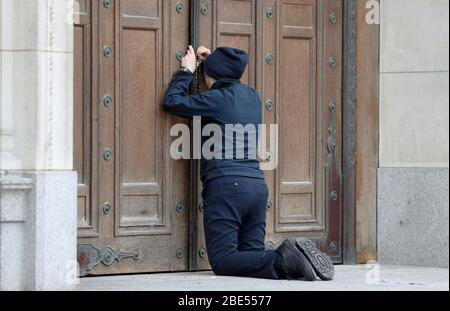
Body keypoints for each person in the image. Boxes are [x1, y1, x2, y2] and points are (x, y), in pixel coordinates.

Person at [164, 46, 335, 281]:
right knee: (251, 258)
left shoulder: (216, 100)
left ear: (213, 73)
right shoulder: (253, 97)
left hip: (226, 187)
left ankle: (282, 258)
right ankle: (291, 263)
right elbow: (220, 91)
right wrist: (213, 64)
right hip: (256, 187)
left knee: (223, 260)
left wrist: (186, 71)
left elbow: (172, 101)